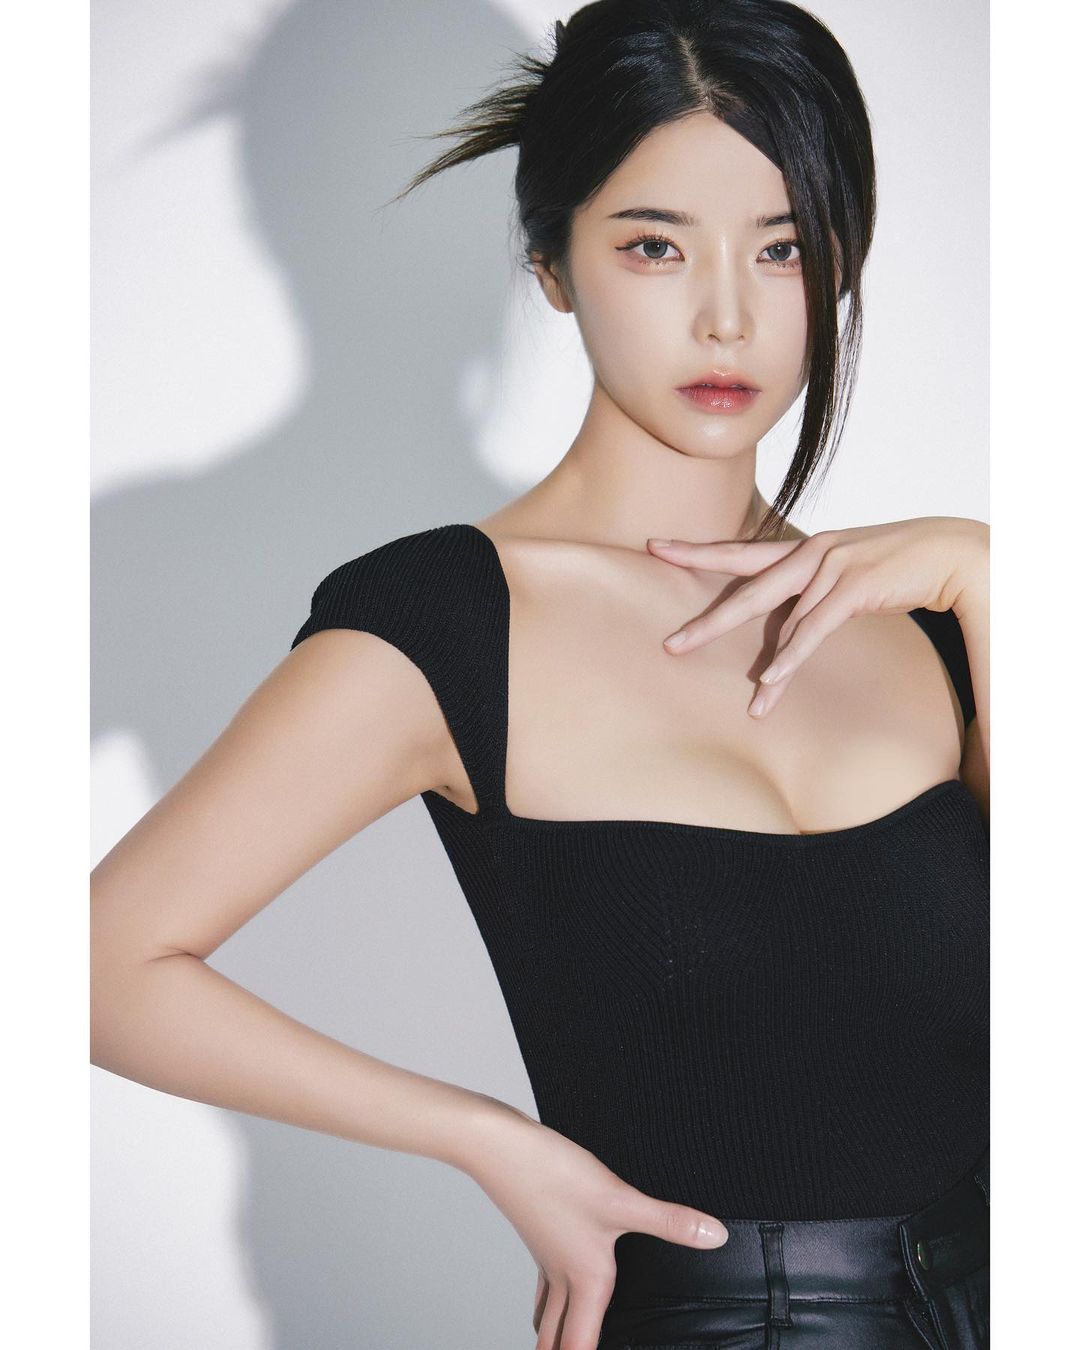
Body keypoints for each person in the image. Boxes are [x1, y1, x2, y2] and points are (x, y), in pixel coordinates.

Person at [90, 1, 990, 1346]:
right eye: (655, 246)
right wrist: (490, 1140)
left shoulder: (937, 619)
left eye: (785, 246)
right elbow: (94, 964)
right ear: (551, 261)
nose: (729, 317)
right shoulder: (450, 622)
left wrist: (992, 578)